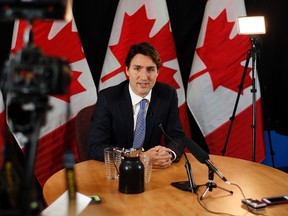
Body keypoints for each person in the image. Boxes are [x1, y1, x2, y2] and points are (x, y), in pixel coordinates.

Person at [87, 42, 185, 169]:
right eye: (137, 69)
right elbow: (95, 147)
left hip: (152, 172)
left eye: (150, 69)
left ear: (157, 72)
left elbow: (177, 137)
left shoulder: (168, 95)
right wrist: (139, 157)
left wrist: (168, 154)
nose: (144, 77)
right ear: (127, 70)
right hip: (117, 171)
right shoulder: (108, 98)